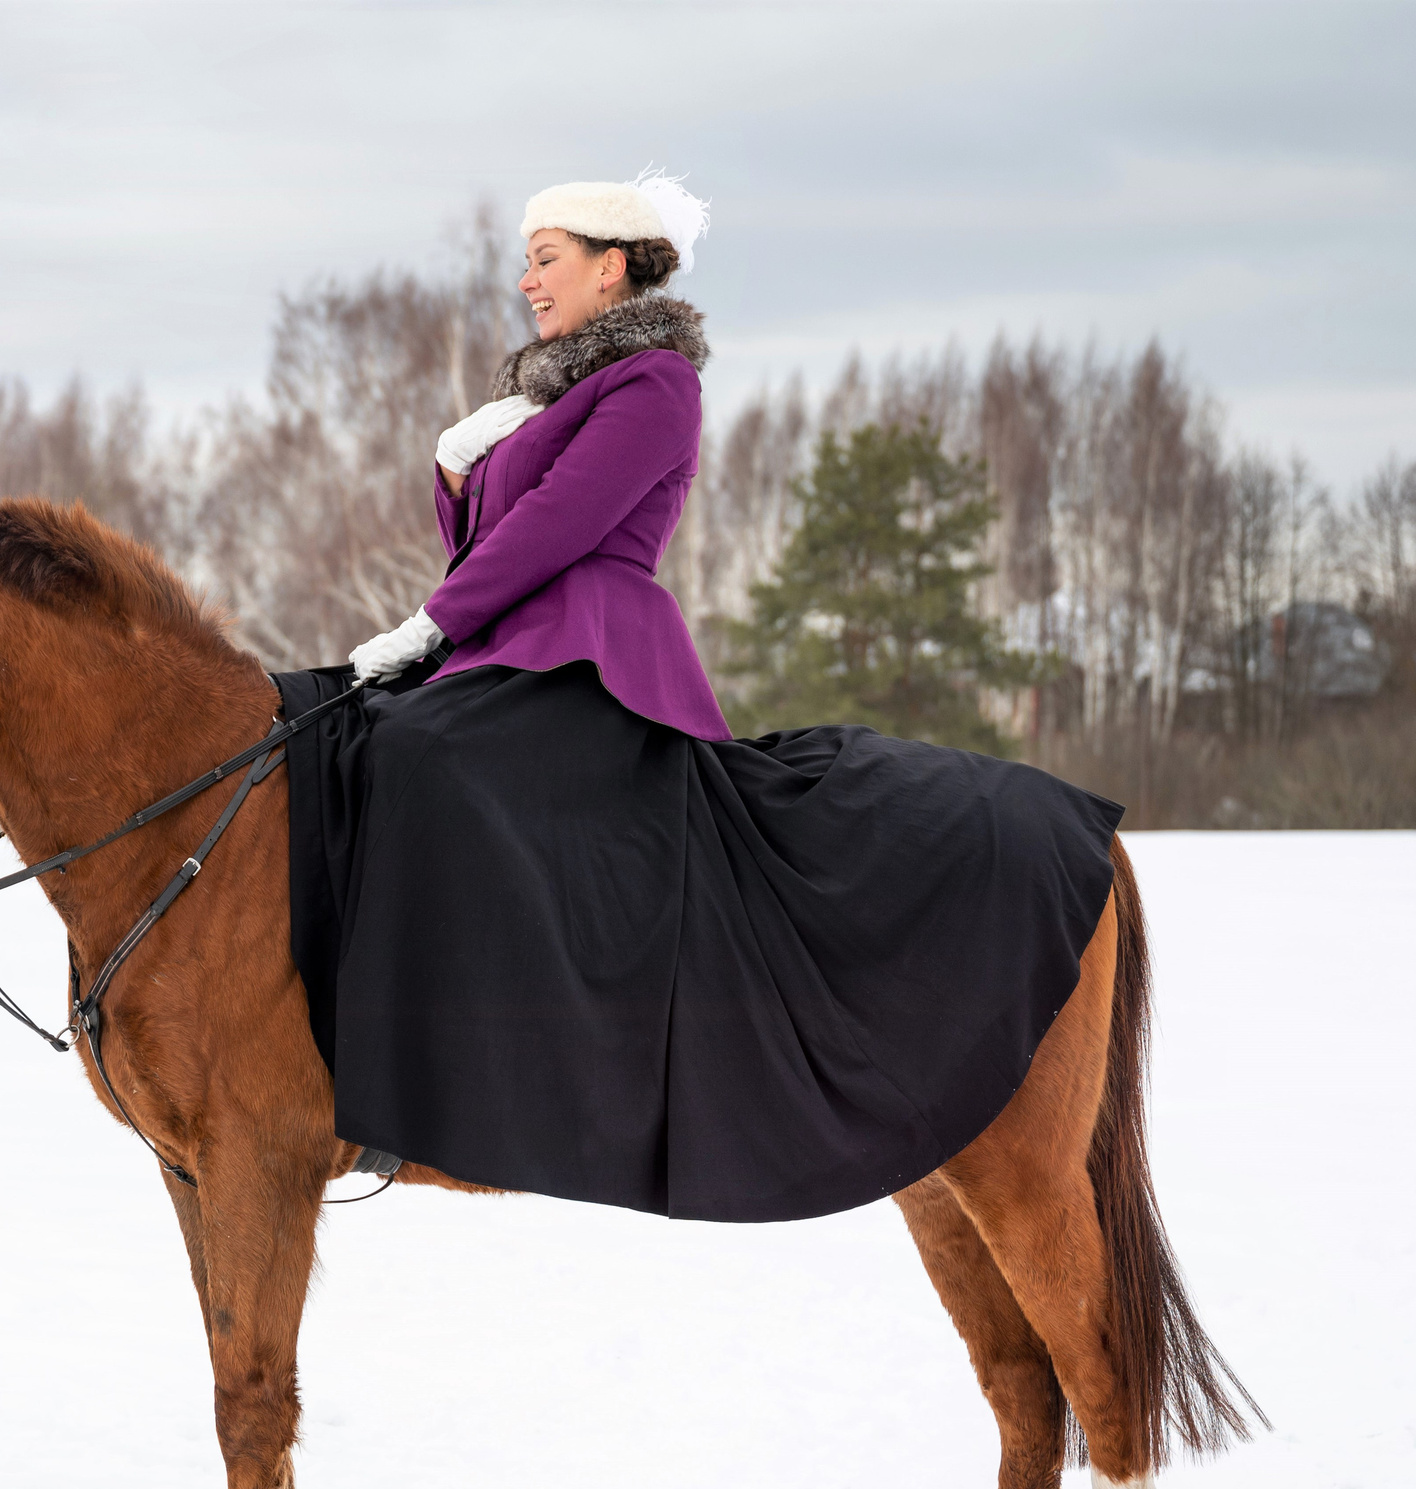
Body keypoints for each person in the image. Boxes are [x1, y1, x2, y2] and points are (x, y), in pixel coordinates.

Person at [305, 175, 1123, 1223]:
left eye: (545, 260)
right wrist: (456, 470)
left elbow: (558, 529)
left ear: (611, 266)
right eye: (526, 262)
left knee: (422, 759)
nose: (525, 281)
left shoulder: (655, 383)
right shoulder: (548, 400)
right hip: (504, 649)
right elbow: (488, 540)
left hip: (589, 655)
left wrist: (431, 621)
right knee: (360, 747)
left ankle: (426, 1082)